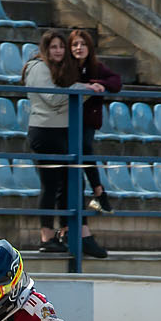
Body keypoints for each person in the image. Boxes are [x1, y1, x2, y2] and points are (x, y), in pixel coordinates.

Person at [59, 26, 121, 260]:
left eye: (82, 44)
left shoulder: (95, 67)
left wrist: (97, 83)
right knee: (70, 174)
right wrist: (86, 87)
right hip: (65, 123)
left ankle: (96, 197)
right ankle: (99, 192)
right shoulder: (66, 67)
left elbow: (116, 81)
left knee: (81, 160)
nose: (78, 48)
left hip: (85, 124)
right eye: (74, 44)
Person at [21, 29, 77, 253]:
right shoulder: (38, 68)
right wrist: (80, 90)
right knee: (50, 184)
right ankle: (46, 237)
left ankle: (64, 233)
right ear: (45, 48)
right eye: (54, 47)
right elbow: (53, 98)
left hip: (62, 130)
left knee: (66, 184)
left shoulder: (61, 70)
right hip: (44, 132)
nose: (59, 51)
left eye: (61, 47)